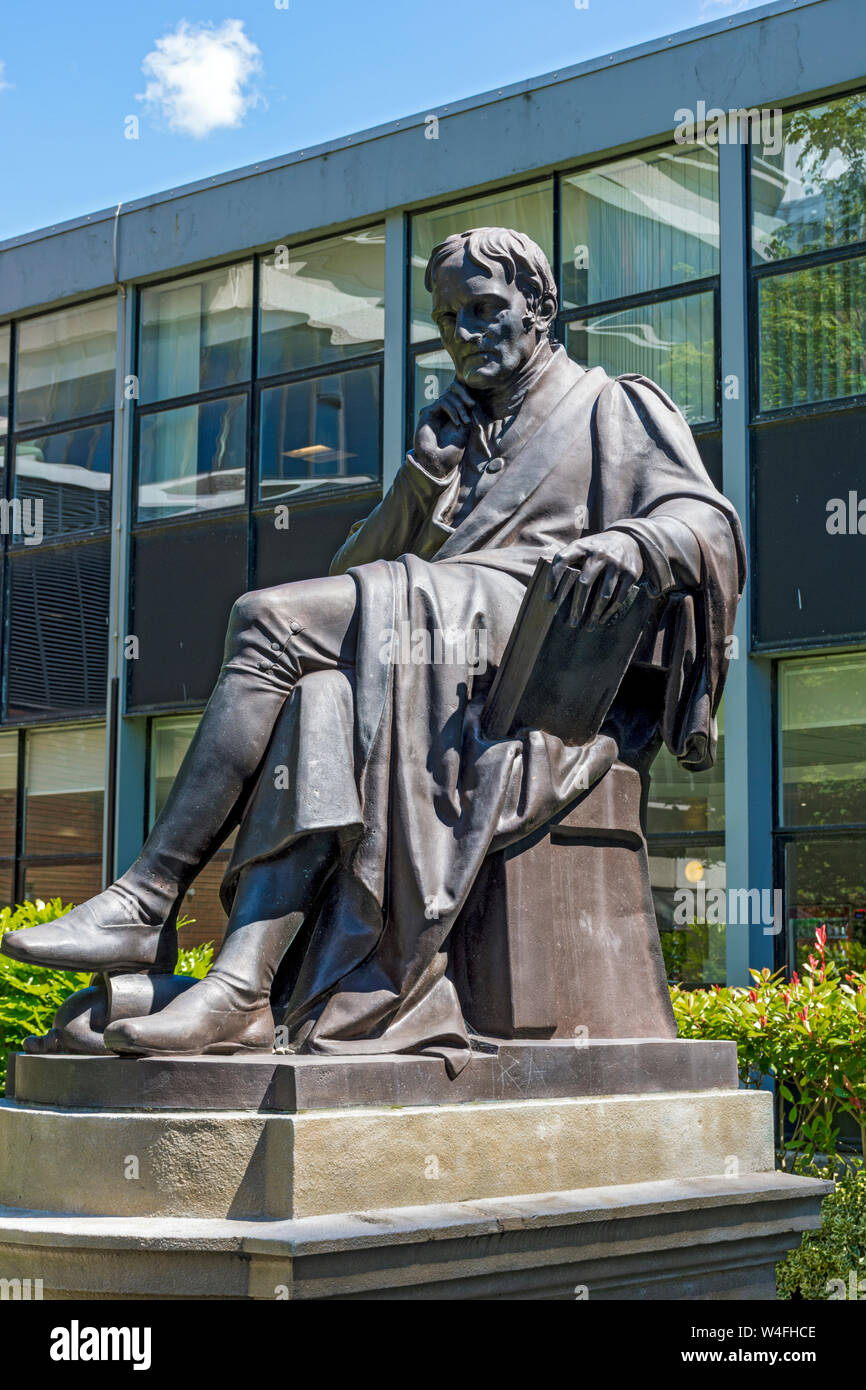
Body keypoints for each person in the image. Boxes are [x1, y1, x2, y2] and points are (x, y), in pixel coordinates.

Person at [2, 228, 745, 1070]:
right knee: (319, 693)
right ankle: (243, 987)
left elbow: (710, 524)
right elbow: (349, 580)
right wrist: (419, 484)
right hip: (430, 645)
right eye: (449, 318)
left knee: (266, 618)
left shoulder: (613, 404)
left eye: (486, 310)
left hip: (524, 639)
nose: (465, 333)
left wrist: (637, 544)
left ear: (541, 310)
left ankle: (147, 897)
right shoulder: (455, 440)